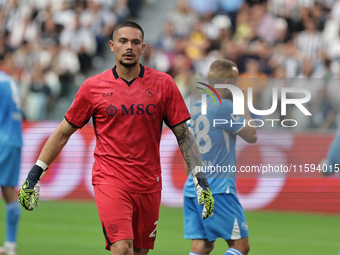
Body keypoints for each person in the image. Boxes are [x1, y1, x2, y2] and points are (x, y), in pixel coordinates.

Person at [17, 21, 214, 255]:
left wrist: (200, 180)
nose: (128, 47)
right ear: (112, 46)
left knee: (139, 252)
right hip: (110, 179)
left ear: (143, 47)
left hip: (149, 184)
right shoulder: (93, 87)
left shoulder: (164, 84)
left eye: (135, 42)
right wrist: (34, 175)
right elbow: (62, 133)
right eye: (123, 41)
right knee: (122, 249)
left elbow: (184, 136)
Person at [183, 59, 257, 255]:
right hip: (218, 189)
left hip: (193, 187)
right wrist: (240, 101)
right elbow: (252, 135)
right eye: (235, 82)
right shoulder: (224, 106)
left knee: (202, 246)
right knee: (240, 246)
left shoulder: (195, 107)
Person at [0, 70, 23, 255]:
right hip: (14, 139)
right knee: (8, 189)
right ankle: (10, 244)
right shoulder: (9, 81)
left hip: (0, 138)